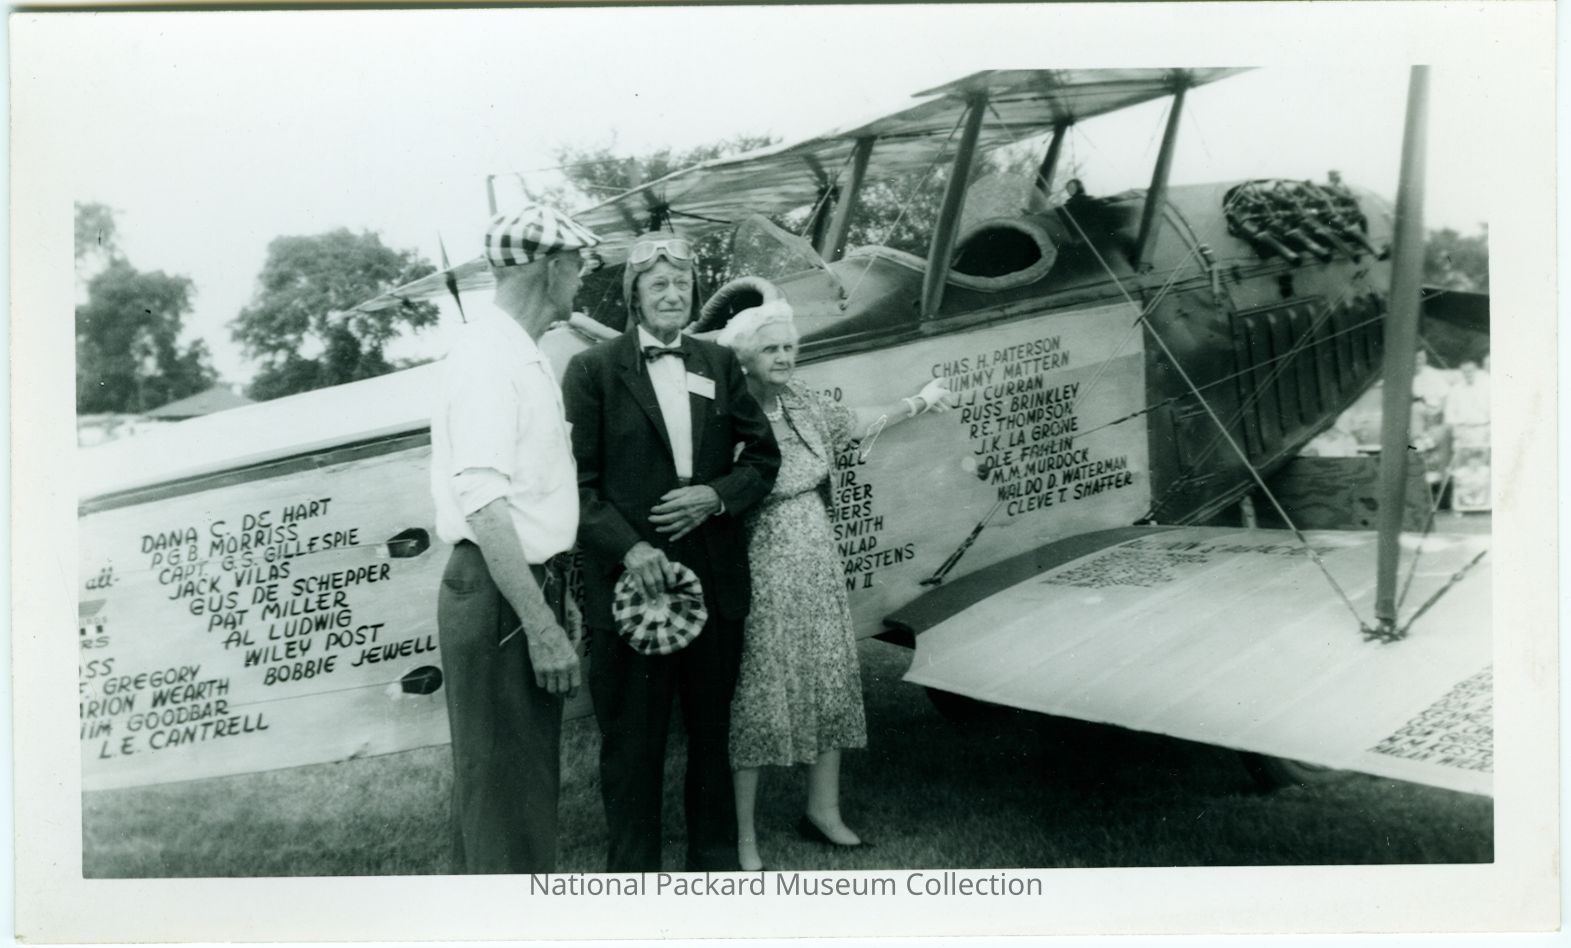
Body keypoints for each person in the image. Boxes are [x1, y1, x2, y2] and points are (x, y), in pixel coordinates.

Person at [562, 231, 781, 872]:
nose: (672, 294)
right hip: (632, 590)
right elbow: (575, 486)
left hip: (714, 582)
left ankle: (713, 874)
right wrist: (629, 549)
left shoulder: (718, 363)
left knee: (712, 739)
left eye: (682, 284)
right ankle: (634, 882)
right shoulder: (592, 370)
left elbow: (762, 458)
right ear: (633, 295)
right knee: (632, 747)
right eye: (658, 284)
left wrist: (715, 496)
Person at [715, 299, 955, 872]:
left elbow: (860, 420)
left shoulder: (803, 402)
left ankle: (823, 812)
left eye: (790, 347)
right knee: (758, 692)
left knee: (828, 677)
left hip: (818, 565)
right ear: (743, 357)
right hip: (760, 569)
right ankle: (740, 836)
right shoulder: (725, 415)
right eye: (771, 348)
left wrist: (921, 400)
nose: (784, 357)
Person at [429, 204, 602, 873]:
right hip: (501, 592)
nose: (581, 278)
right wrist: (541, 624)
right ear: (551, 268)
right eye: (578, 265)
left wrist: (553, 601)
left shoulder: (516, 351)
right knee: (507, 795)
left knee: (508, 788)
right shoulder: (488, 358)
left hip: (517, 587)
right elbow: (484, 503)